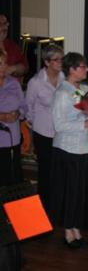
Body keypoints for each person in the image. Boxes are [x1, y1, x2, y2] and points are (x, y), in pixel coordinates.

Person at [50, 52, 88, 249]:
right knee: (70, 193)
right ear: (71, 69)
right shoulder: (62, 93)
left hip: (85, 147)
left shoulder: (86, 88)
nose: (87, 69)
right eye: (82, 66)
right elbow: (59, 125)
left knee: (81, 193)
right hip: (68, 149)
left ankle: (76, 229)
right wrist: (87, 123)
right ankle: (68, 233)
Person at [25, 44, 65, 208]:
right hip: (43, 132)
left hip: (61, 131)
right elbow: (29, 106)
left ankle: (58, 205)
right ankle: (45, 207)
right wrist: (33, 127)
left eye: (62, 59)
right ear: (47, 62)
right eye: (57, 60)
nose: (61, 62)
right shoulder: (36, 82)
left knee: (60, 170)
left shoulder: (65, 78)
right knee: (46, 171)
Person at [0, 50, 26, 186]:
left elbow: (24, 106)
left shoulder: (14, 83)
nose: (4, 67)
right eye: (0, 63)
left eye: (5, 63)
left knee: (13, 181)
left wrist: (18, 113)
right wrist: (2, 116)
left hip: (13, 139)